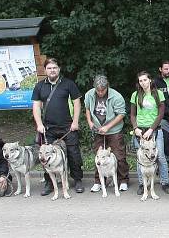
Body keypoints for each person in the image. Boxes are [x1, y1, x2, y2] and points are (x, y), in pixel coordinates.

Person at [31, 58, 84, 195]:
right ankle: (49, 183)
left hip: (68, 126)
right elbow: (36, 106)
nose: (52, 70)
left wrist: (75, 122)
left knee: (74, 154)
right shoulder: (39, 86)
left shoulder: (68, 84)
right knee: (45, 156)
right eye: (49, 68)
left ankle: (77, 180)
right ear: (45, 70)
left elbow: (77, 103)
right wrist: (39, 124)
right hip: (48, 128)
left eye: (54, 67)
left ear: (59, 69)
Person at [130, 71, 169, 195]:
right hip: (140, 130)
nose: (143, 83)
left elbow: (161, 114)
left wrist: (151, 129)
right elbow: (132, 114)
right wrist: (135, 128)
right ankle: (142, 184)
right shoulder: (136, 95)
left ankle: (164, 182)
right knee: (140, 157)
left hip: (155, 129)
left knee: (160, 156)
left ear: (150, 80)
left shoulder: (158, 93)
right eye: (140, 81)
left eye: (145, 80)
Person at [84, 75, 129, 193]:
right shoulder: (89, 94)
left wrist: (108, 127)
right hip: (97, 129)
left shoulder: (116, 96)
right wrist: (89, 122)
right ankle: (98, 181)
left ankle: (123, 180)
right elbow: (87, 108)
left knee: (119, 155)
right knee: (98, 156)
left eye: (102, 90)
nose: (100, 93)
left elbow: (121, 114)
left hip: (114, 130)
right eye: (97, 90)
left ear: (107, 87)